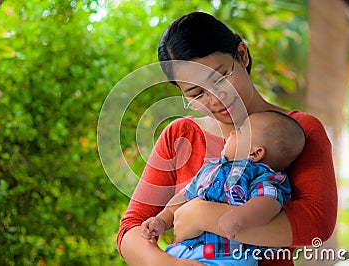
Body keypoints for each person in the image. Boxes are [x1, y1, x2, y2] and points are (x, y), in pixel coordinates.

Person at [117, 11, 337, 266]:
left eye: (221, 77)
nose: (216, 99)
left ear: (241, 55)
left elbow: (315, 222)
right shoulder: (179, 136)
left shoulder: (300, 130)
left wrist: (200, 214)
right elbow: (130, 229)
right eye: (197, 93)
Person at [140, 111, 305, 265]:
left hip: (229, 258)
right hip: (187, 250)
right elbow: (184, 197)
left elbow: (270, 203)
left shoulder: (260, 176)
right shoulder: (210, 169)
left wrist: (236, 218)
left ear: (255, 153)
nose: (232, 133)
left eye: (240, 131)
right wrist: (162, 219)